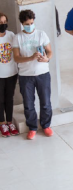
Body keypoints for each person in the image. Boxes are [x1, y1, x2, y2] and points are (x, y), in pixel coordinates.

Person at [12, 10, 53, 140]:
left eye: (31, 23)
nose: (30, 26)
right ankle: (32, 127)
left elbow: (49, 51)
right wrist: (30, 58)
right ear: (22, 24)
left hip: (43, 74)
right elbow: (16, 58)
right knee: (28, 104)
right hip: (25, 75)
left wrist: (46, 59)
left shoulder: (41, 34)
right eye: (27, 24)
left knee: (45, 102)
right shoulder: (17, 37)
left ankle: (46, 125)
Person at [0, 14, 19, 138]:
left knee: (9, 98)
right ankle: (2, 123)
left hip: (11, 73)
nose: (3, 24)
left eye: (4, 22)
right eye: (0, 22)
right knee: (0, 99)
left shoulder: (11, 35)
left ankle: (10, 122)